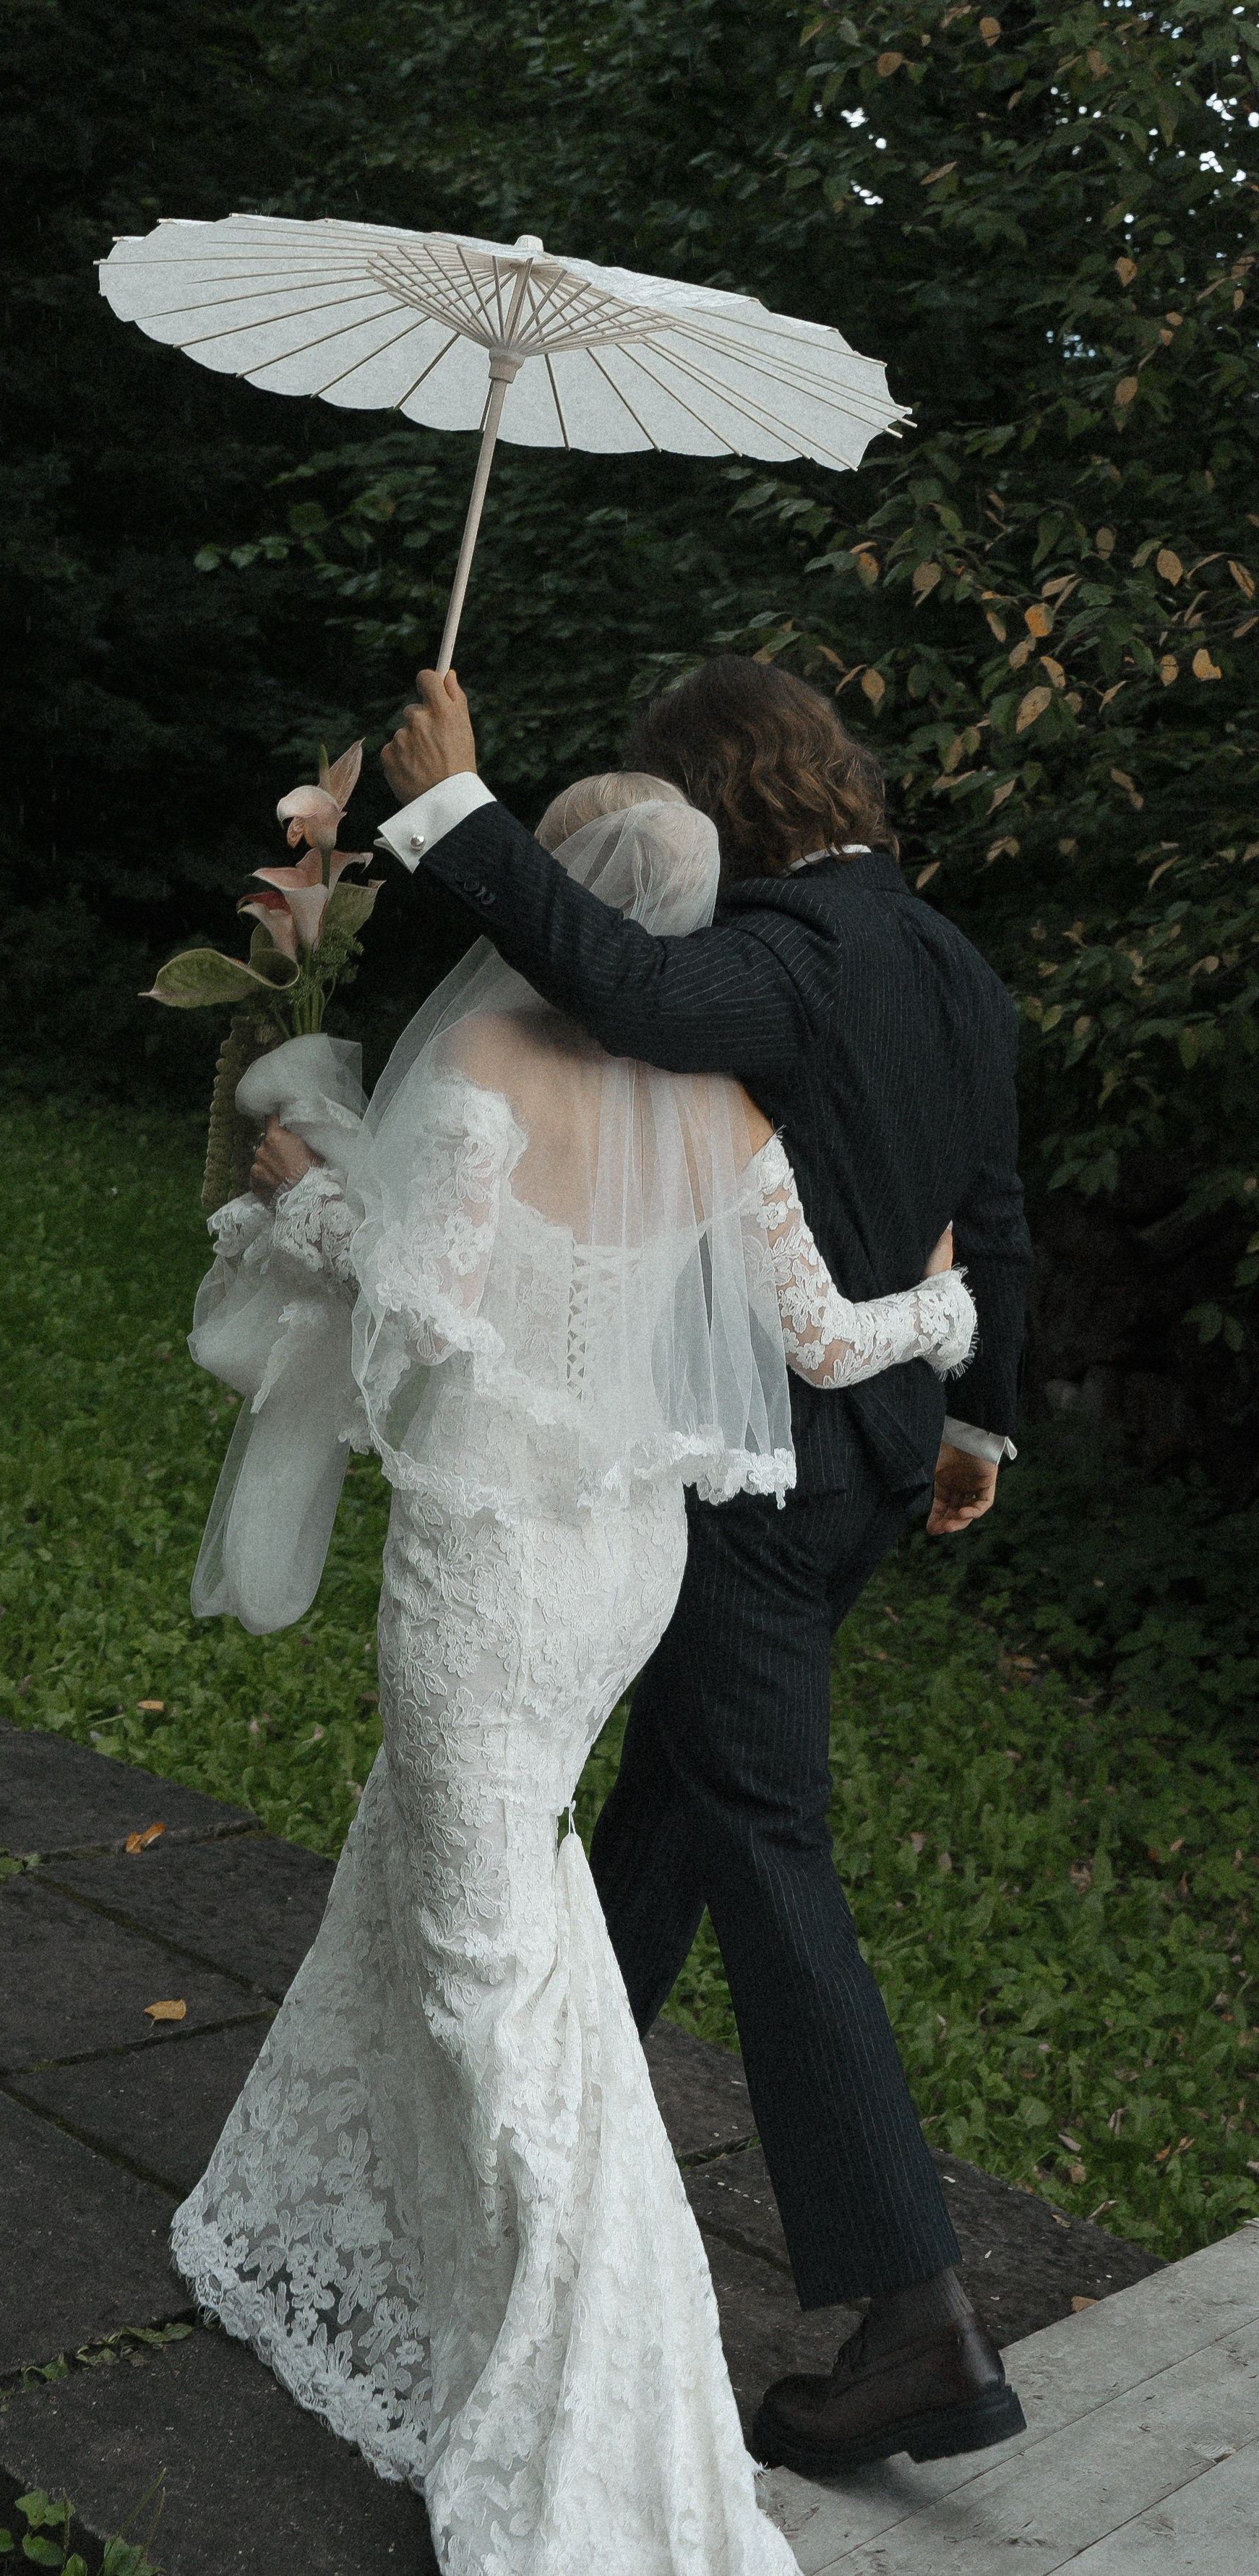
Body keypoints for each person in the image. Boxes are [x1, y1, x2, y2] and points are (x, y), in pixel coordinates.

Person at [173, 775, 978, 2576]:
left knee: (490, 1959)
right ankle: (388, 2235)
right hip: (631, 1565)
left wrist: (304, 1193)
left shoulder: (479, 1078)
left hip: (497, 1566)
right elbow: (827, 1335)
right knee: (468, 1866)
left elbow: (415, 1307)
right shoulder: (722, 1107)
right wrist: (948, 1309)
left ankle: (589, 2352)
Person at [374, 656, 1032, 2483]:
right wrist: (978, 1424)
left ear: (718, 802)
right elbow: (999, 1198)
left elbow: (649, 992)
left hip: (752, 1480)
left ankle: (916, 2318)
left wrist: (451, 808)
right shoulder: (947, 955)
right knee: (664, 1824)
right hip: (875, 1466)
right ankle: (534, 2187)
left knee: (756, 1825)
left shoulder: (799, 953)